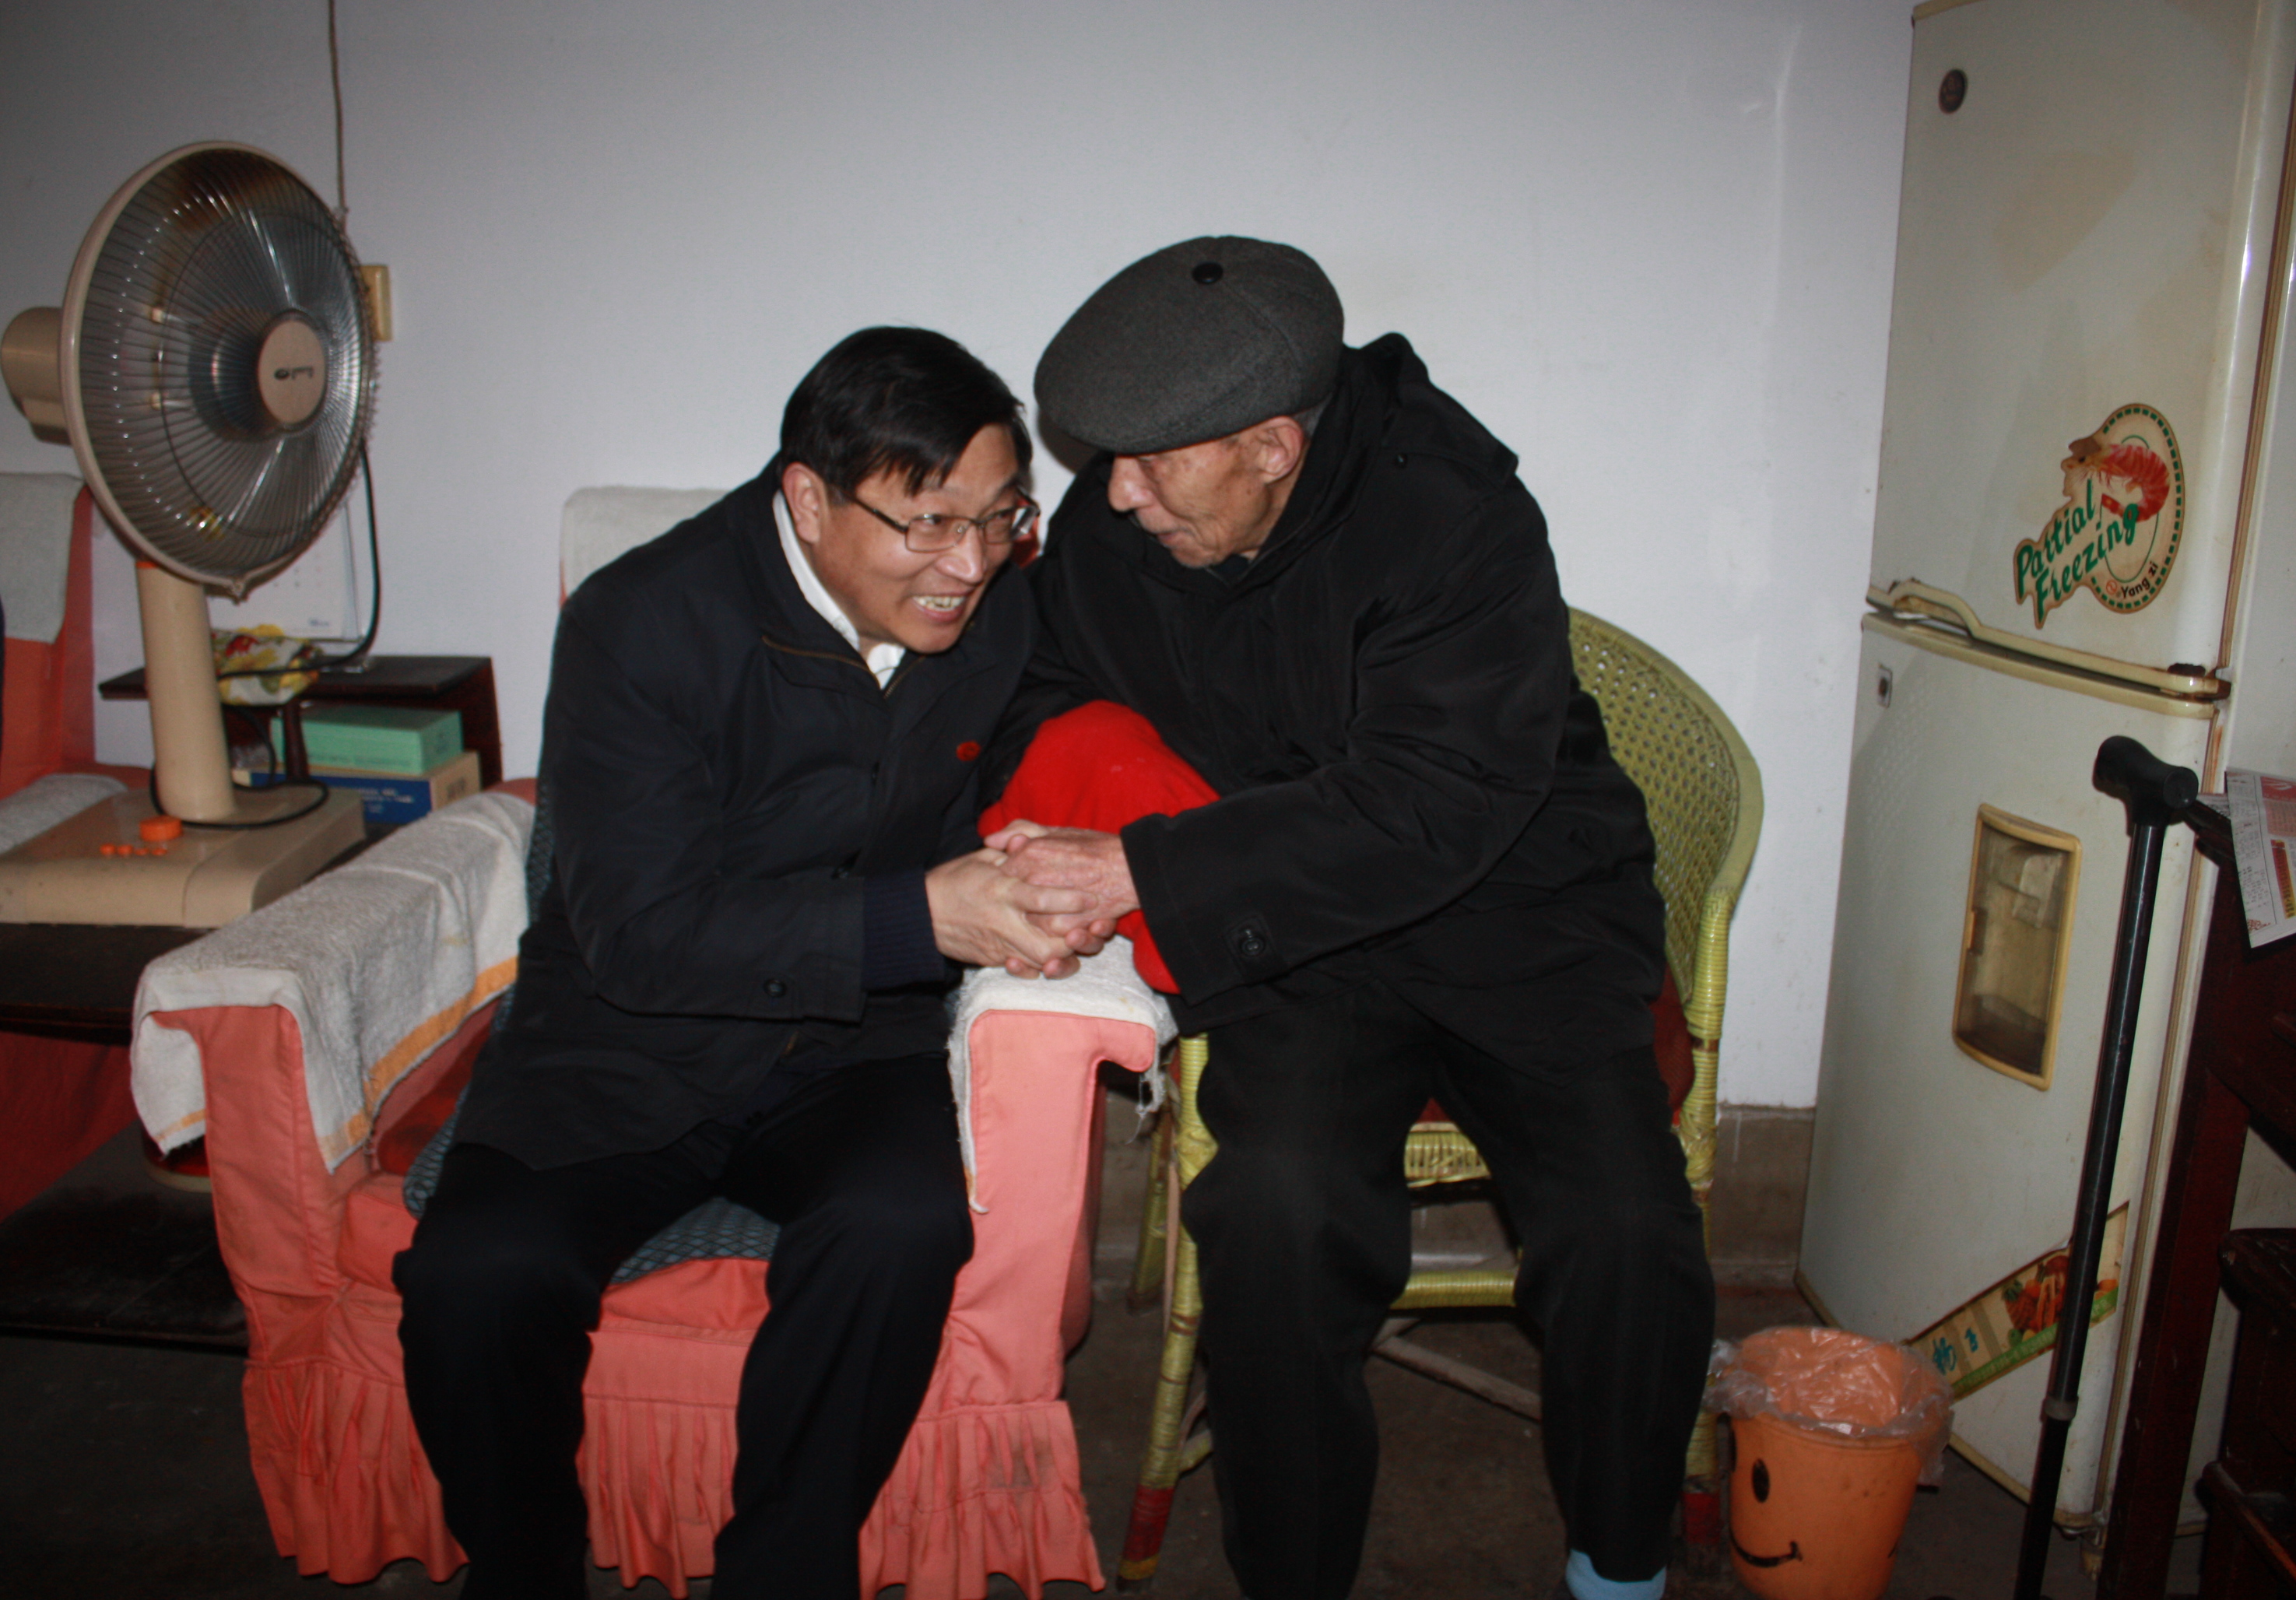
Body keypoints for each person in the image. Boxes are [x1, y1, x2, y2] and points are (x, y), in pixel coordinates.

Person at [985, 238, 1716, 1600]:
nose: (1116, 492)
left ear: (1273, 446)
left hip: (1516, 911)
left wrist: (1150, 867)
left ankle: (1621, 1568)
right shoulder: (1118, 527)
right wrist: (1053, 803)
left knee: (1626, 1228)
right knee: (1275, 1218)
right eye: (1109, 460)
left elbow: (1432, 802)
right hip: (1296, 932)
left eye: (1151, 463)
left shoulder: (1455, 515)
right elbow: (1027, 682)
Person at [394, 327, 1103, 1600]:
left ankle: (784, 1572)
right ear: (810, 499)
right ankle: (526, 1571)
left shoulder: (999, 606)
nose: (968, 566)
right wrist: (924, 918)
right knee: (477, 1277)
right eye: (930, 524)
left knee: (900, 1226)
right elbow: (639, 933)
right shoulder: (640, 623)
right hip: (624, 1036)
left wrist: (1064, 863)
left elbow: (1053, 733)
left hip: (854, 1042)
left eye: (1001, 519)